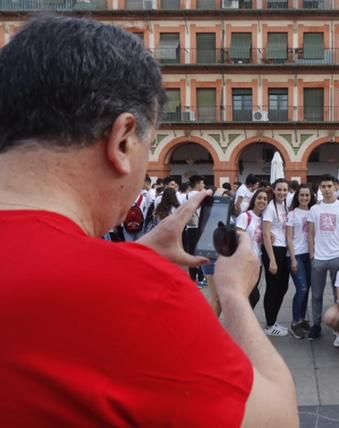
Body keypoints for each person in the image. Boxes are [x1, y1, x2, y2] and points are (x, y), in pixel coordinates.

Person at [0, 15, 297, 426]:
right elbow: (276, 418)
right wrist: (232, 294)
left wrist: (136, 252)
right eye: (149, 144)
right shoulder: (138, 295)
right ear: (122, 140)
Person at [307, 174, 339, 339]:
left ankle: (338, 325)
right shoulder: (314, 209)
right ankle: (316, 324)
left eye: (329, 186)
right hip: (318, 257)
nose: (326, 189)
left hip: (337, 256)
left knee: (337, 293)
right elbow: (310, 233)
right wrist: (312, 254)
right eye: (323, 186)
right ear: (320, 188)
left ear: (335, 187)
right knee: (316, 294)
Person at [261, 178, 291, 337]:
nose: (282, 193)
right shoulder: (269, 208)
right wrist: (272, 259)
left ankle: (273, 320)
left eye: (285, 190)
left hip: (283, 249)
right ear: (273, 190)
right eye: (279, 189)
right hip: (273, 251)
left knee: (283, 287)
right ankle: (269, 324)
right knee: (272, 288)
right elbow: (266, 234)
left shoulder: (285, 205)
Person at [286, 183, 316, 339]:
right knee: (302, 288)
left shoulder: (314, 212)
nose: (304, 198)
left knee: (307, 288)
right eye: (302, 195)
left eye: (307, 195)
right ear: (297, 197)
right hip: (296, 255)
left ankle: (303, 319)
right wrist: (292, 259)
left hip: (309, 255)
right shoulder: (292, 214)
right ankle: (295, 322)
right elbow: (289, 238)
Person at [235, 188, 270, 309]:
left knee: (251, 295)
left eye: (265, 199)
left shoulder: (263, 220)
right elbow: (237, 237)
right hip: (245, 261)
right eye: (259, 198)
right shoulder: (245, 216)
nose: (262, 201)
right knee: (252, 295)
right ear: (254, 200)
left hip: (257, 262)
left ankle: (244, 322)